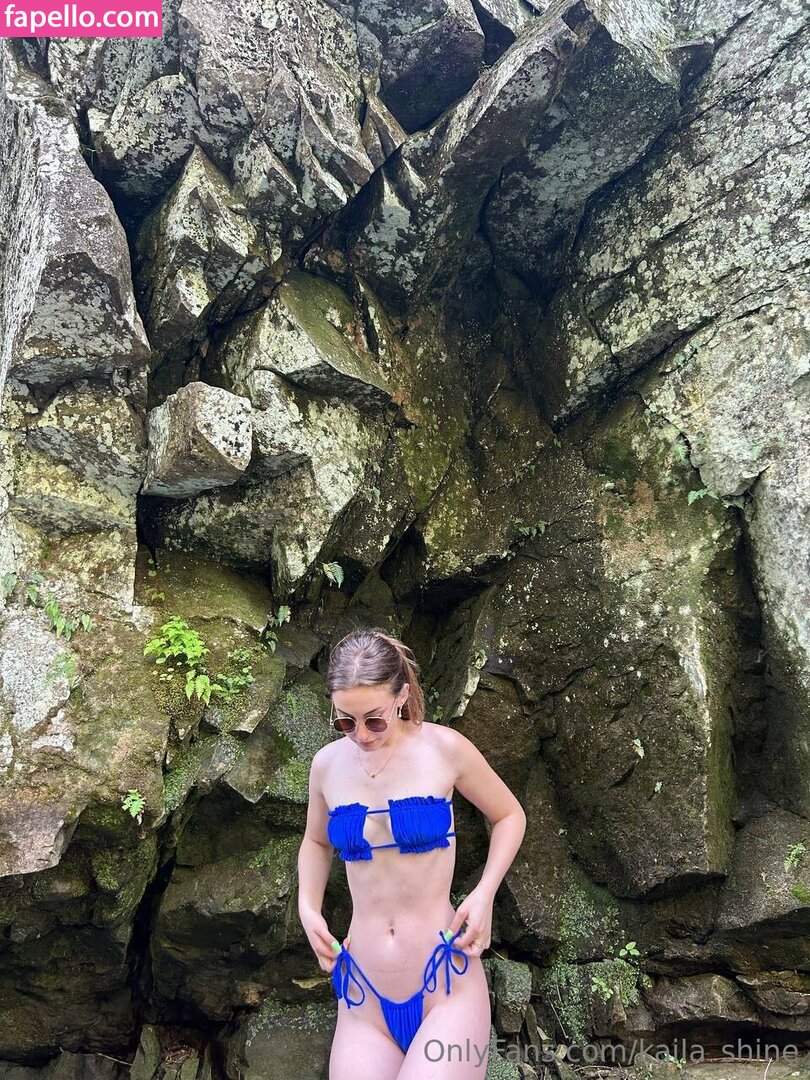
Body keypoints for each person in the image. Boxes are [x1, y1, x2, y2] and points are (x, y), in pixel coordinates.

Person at [297, 626, 527, 1079]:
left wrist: (484, 894)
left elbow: (509, 816)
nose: (361, 735)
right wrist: (309, 908)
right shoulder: (327, 765)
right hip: (362, 992)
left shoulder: (445, 748)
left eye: (374, 720)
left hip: (445, 983)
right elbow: (316, 841)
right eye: (345, 721)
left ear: (401, 696)